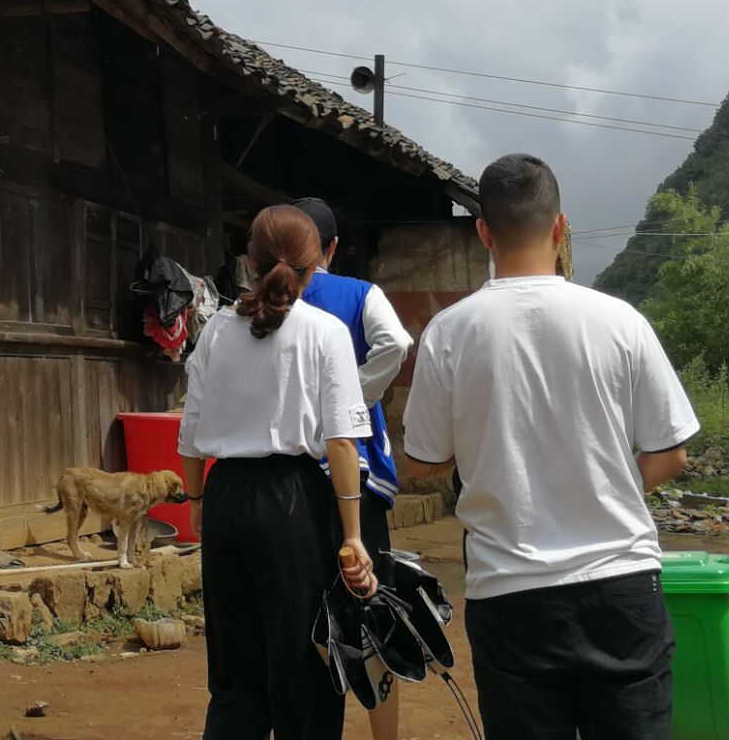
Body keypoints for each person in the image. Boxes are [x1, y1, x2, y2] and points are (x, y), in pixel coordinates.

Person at [402, 153, 698, 740]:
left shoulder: (450, 332)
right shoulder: (620, 322)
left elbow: (424, 462)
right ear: (560, 227)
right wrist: (606, 483)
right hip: (622, 585)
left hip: (510, 595)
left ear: (483, 232)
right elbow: (671, 453)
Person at [179, 204, 379, 740]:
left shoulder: (216, 331)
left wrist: (197, 504)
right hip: (293, 504)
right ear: (316, 267)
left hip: (226, 499)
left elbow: (190, 431)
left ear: (250, 261)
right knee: (304, 666)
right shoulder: (325, 332)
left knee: (235, 673)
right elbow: (341, 440)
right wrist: (353, 535)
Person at [292, 196, 411, 740]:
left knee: (306, 615)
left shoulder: (264, 302)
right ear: (332, 248)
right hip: (357, 473)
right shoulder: (360, 294)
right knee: (370, 607)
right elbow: (397, 343)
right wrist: (355, 396)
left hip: (292, 476)